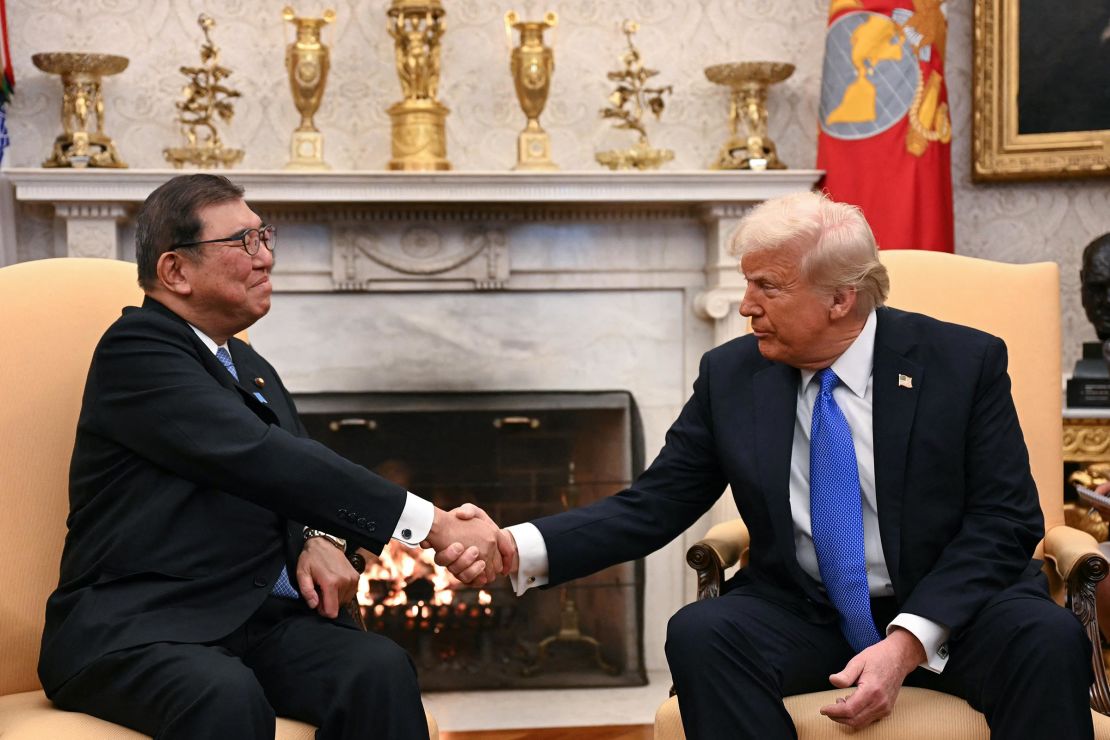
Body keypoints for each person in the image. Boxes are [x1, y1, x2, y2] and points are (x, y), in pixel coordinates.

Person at [445, 191, 1094, 738]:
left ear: (841, 299)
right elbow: (655, 503)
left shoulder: (961, 363)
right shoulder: (732, 374)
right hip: (808, 613)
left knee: (1046, 639)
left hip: (956, 611)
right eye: (745, 283)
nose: (745, 305)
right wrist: (512, 545)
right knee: (704, 632)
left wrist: (907, 642)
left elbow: (1005, 521)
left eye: (767, 286)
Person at [39, 173, 503, 740]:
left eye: (265, 238)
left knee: (375, 669)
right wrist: (432, 527)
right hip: (143, 626)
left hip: (252, 621)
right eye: (243, 244)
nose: (265, 260)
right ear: (175, 271)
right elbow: (259, 457)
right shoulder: (136, 353)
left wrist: (323, 539)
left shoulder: (249, 366)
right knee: (224, 696)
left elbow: (300, 477)